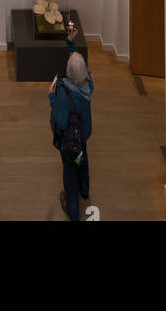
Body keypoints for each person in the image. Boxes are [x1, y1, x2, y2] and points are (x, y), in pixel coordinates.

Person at [48, 20, 94, 220]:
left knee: (69, 173)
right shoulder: (88, 84)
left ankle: (74, 210)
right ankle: (85, 189)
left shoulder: (63, 90)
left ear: (68, 71)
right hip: (82, 132)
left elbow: (60, 118)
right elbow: (77, 64)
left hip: (68, 139)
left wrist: (51, 95)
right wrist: (71, 44)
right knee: (82, 158)